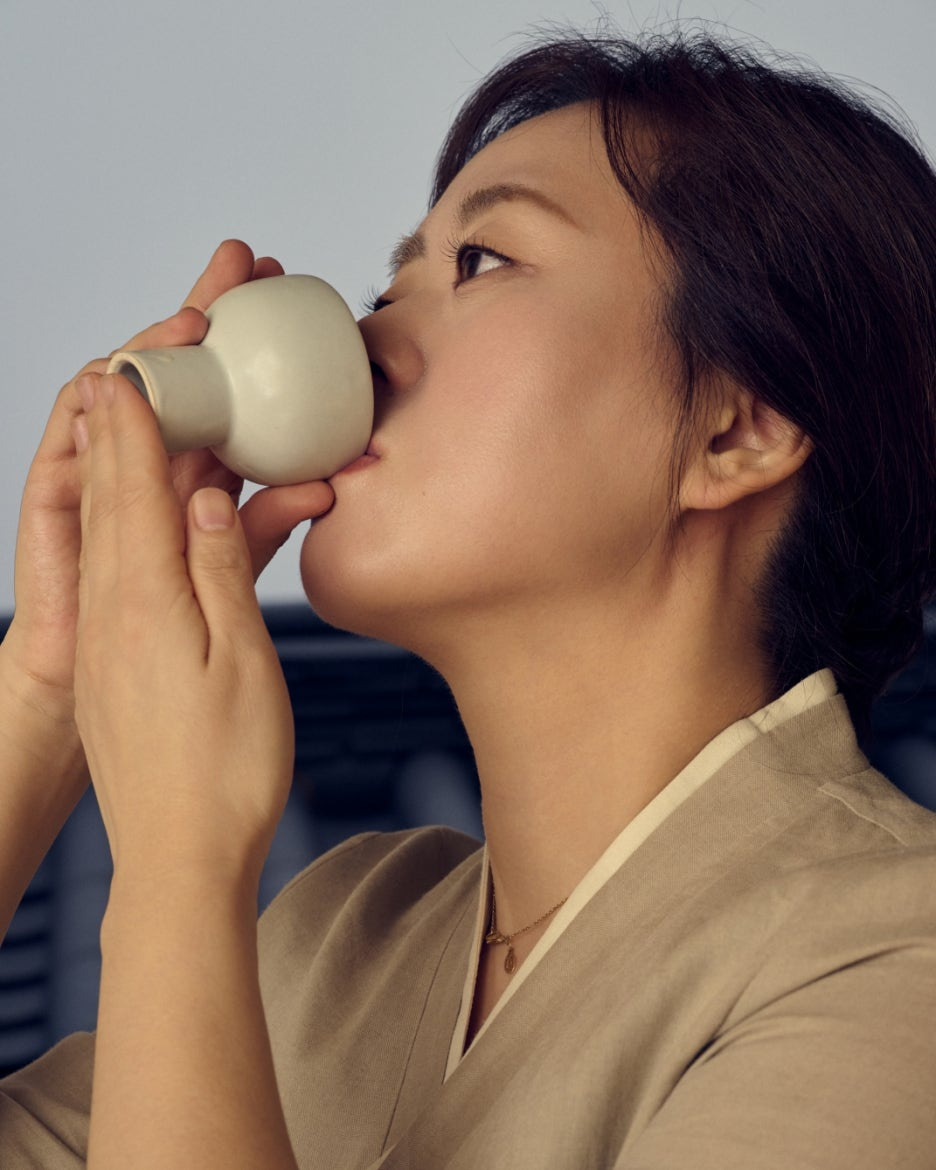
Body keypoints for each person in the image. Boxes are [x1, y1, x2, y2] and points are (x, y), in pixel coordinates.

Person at [1, 26, 935, 1170]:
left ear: (736, 429)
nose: (361, 341)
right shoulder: (344, 935)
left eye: (481, 261)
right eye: (386, 284)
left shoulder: (897, 959)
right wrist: (43, 694)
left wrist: (176, 869)